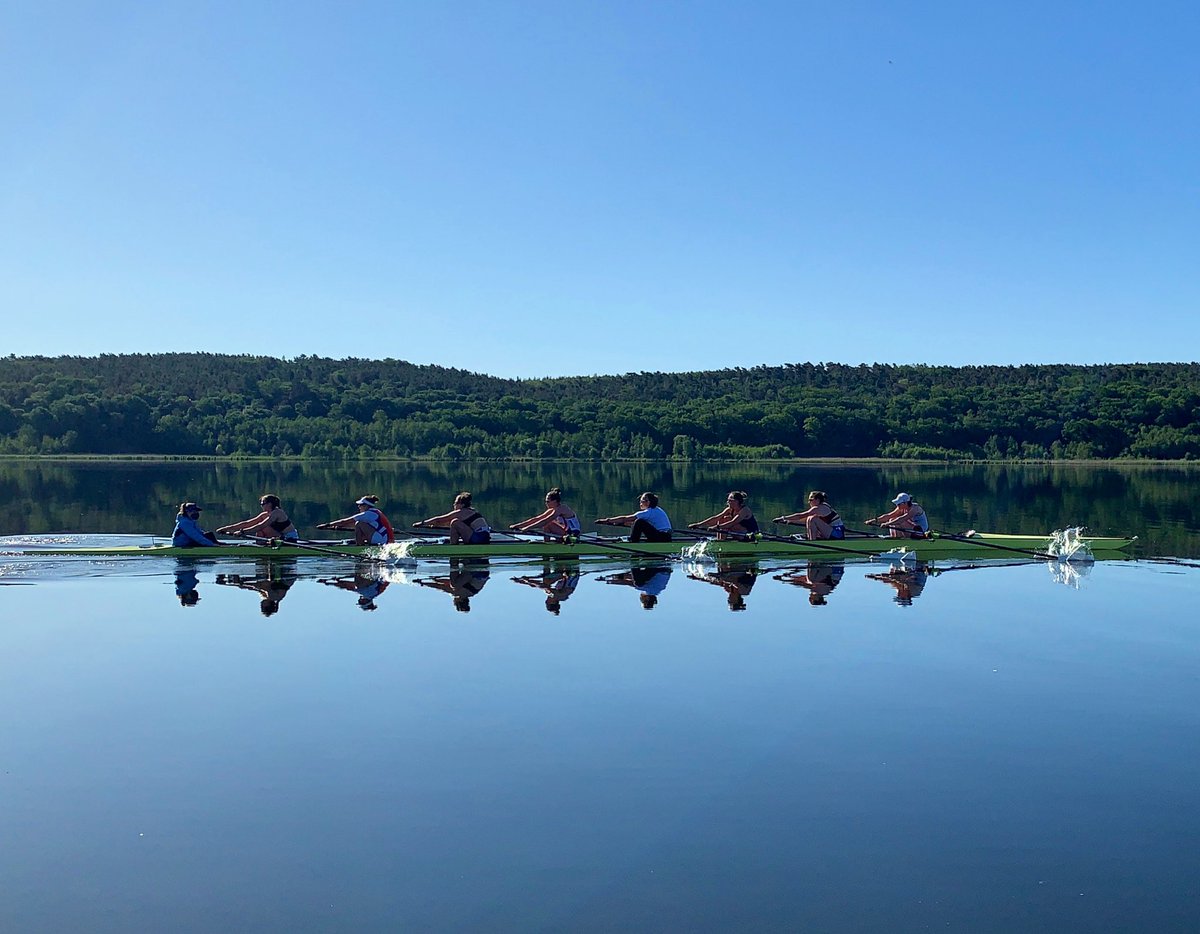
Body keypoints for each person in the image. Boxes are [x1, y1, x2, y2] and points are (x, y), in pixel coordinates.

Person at [216, 494, 300, 542]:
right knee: (258, 528)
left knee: (261, 529)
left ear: (270, 504)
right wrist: (225, 529)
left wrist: (242, 532)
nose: (261, 506)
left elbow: (261, 526)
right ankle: (262, 545)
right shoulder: (265, 514)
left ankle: (262, 546)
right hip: (280, 536)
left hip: (289, 538)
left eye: (263, 503)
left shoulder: (277, 513)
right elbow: (247, 523)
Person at [414, 492, 491, 544]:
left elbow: (439, 519)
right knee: (454, 523)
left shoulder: (461, 512)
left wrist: (421, 523)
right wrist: (437, 525)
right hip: (485, 537)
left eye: (456, 503)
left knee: (454, 522)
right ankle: (454, 543)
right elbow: (447, 524)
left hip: (478, 538)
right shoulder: (471, 511)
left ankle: (453, 546)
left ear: (462, 505)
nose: (454, 505)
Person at [317, 495, 395, 545]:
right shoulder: (376, 512)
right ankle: (361, 542)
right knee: (358, 524)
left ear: (366, 506)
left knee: (359, 524)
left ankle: (359, 546)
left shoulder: (368, 514)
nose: (358, 506)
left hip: (382, 540)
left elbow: (345, 521)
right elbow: (349, 524)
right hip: (385, 539)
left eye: (360, 505)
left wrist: (327, 525)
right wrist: (336, 527)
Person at [597, 492, 672, 543]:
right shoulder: (657, 509)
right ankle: (634, 540)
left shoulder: (648, 512)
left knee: (639, 522)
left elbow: (625, 518)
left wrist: (607, 520)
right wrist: (618, 523)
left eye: (642, 501)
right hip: (666, 537)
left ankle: (633, 542)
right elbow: (632, 524)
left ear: (648, 502)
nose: (640, 503)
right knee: (638, 523)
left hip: (661, 537)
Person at [509, 488, 582, 540]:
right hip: (565, 534)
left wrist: (527, 528)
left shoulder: (562, 508)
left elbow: (545, 521)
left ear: (555, 501)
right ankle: (547, 543)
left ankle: (547, 545)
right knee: (547, 524)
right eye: (546, 501)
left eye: (548, 501)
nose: (546, 503)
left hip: (573, 535)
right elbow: (536, 519)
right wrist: (517, 526)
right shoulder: (552, 509)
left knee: (548, 524)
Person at [775, 490, 846, 540]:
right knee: (810, 518)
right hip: (830, 532)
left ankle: (812, 542)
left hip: (837, 534)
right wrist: (789, 521)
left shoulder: (819, 508)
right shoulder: (819, 508)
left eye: (811, 500)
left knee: (812, 519)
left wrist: (783, 518)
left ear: (817, 500)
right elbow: (804, 520)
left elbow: (800, 515)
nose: (809, 502)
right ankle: (812, 539)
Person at [688, 491, 759, 539]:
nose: (728, 502)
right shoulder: (729, 509)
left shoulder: (745, 510)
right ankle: (720, 541)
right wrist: (698, 524)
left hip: (749, 535)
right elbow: (715, 518)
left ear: (737, 501)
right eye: (728, 500)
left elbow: (732, 523)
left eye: (730, 501)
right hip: (738, 533)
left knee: (727, 520)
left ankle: (721, 543)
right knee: (722, 519)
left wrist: (716, 527)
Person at [599, 564, 672, 609]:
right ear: (646, 599)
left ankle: (635, 567)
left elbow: (629, 578)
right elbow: (627, 582)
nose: (640, 598)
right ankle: (633, 565)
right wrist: (609, 580)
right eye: (642, 600)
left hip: (665, 570)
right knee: (638, 583)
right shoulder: (649, 590)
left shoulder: (657, 590)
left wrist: (609, 578)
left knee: (638, 580)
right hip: (660, 569)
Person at [776, 561, 846, 606]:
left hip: (828, 570)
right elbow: (801, 584)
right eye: (811, 598)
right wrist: (784, 580)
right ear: (817, 598)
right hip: (833, 568)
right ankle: (812, 561)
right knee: (811, 579)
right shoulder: (822, 591)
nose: (809, 596)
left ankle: (813, 562)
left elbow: (802, 580)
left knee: (810, 579)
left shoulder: (819, 589)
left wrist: (788, 577)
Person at [865, 492, 929, 538]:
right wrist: (873, 520)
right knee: (891, 519)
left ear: (905, 503)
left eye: (898, 504)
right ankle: (895, 539)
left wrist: (887, 524)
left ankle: (898, 541)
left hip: (921, 532)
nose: (897, 506)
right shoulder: (902, 508)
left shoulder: (915, 508)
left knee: (899, 522)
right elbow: (888, 515)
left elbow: (901, 519)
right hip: (912, 530)